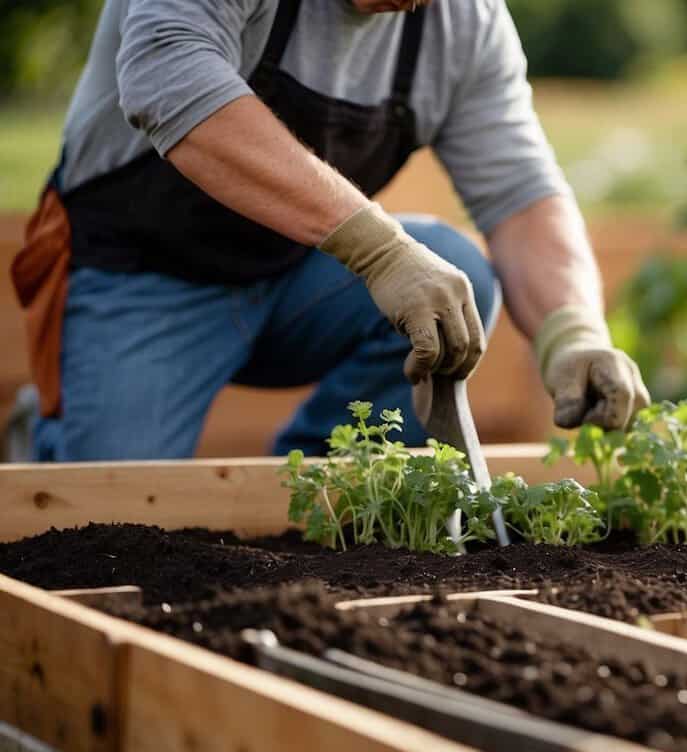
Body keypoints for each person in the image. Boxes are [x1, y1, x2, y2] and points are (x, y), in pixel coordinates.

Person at [11, 0, 649, 461]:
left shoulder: (466, 24)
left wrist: (574, 333)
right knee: (106, 526)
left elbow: (522, 197)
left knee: (459, 273)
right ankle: (48, 434)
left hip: (297, 278)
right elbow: (168, 75)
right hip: (139, 279)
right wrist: (378, 251)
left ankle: (325, 491)